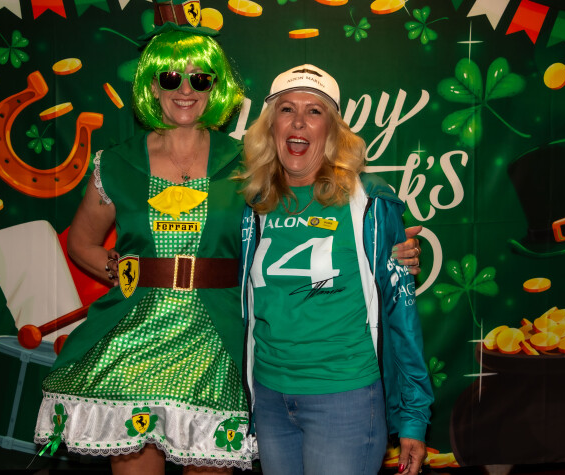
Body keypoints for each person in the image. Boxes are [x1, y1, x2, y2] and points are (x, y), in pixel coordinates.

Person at [33, 5, 422, 473]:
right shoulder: (116, 163)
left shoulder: (248, 164)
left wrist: (392, 251)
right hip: (135, 337)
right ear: (152, 86)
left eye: (199, 80)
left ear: (214, 88)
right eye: (171, 78)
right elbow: (81, 243)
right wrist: (120, 270)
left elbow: (317, 206)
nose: (185, 90)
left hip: (216, 340)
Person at [238, 65, 434, 475]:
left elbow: (401, 316)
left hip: (345, 399)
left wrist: (413, 417)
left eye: (314, 111)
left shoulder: (369, 203)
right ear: (270, 126)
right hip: (270, 400)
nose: (298, 122)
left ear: (332, 130)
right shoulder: (252, 203)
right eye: (287, 109)